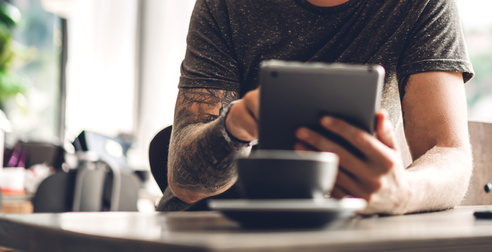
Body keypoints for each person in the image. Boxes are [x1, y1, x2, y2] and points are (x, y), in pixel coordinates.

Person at [157, 0, 475, 215]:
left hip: (343, 228)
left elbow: (449, 152)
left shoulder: (422, 6)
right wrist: (235, 126)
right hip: (212, 228)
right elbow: (185, 184)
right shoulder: (226, 5)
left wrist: (404, 191)